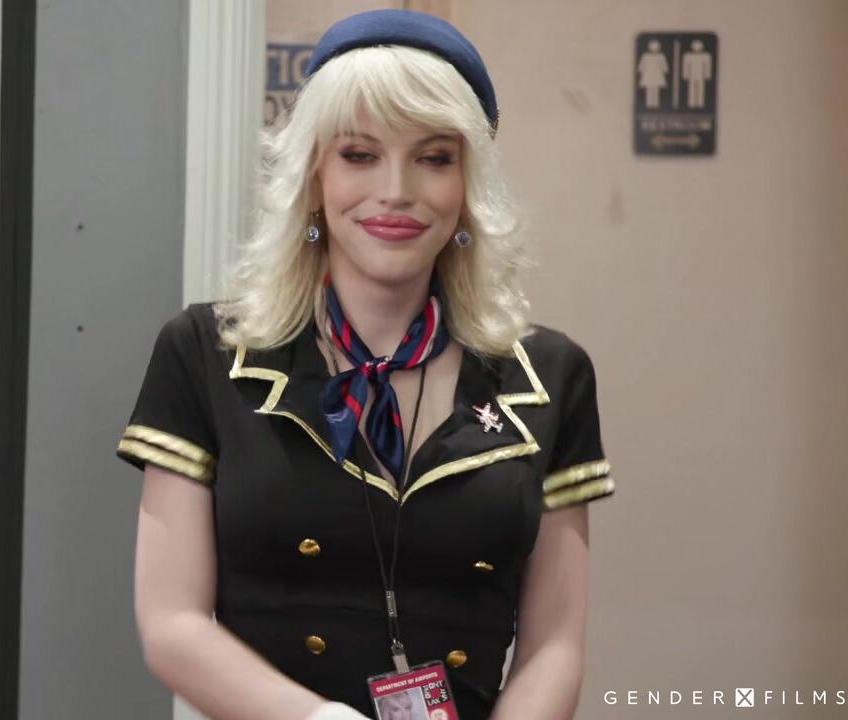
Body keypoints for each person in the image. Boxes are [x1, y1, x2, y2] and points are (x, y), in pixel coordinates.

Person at [117, 9, 615, 720]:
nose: (396, 189)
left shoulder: (549, 375)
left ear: (468, 186)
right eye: (358, 154)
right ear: (312, 176)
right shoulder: (205, 352)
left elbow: (554, 647)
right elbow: (172, 625)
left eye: (433, 158)